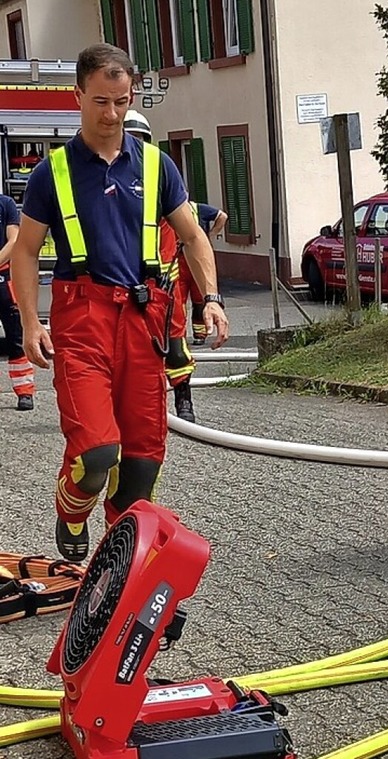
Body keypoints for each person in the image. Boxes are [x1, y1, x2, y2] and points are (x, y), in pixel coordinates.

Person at [11, 43, 229, 562]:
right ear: (79, 96)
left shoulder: (156, 166)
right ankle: (70, 509)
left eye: (122, 102)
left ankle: (116, 571)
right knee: (96, 454)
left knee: (139, 467)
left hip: (143, 319)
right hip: (82, 319)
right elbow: (24, 250)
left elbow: (194, 237)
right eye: (101, 102)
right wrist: (28, 322)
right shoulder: (52, 173)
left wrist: (212, 299)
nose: (112, 114)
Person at [123, 109, 200, 423]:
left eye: (140, 140)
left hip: (165, 289)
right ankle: (140, 409)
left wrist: (209, 297)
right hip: (125, 285)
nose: (134, 146)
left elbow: (190, 236)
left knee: (175, 346)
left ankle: (184, 402)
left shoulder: (164, 181)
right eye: (131, 139)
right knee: (131, 351)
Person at [0, 194, 35, 411]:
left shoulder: (6, 204)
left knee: (16, 339)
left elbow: (14, 240)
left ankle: (25, 393)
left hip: (4, 280)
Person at [180, 202, 228, 346]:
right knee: (177, 299)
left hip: (195, 256)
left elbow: (222, 216)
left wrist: (211, 235)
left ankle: (200, 333)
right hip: (178, 258)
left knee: (200, 298)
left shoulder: (197, 208)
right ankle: (178, 335)